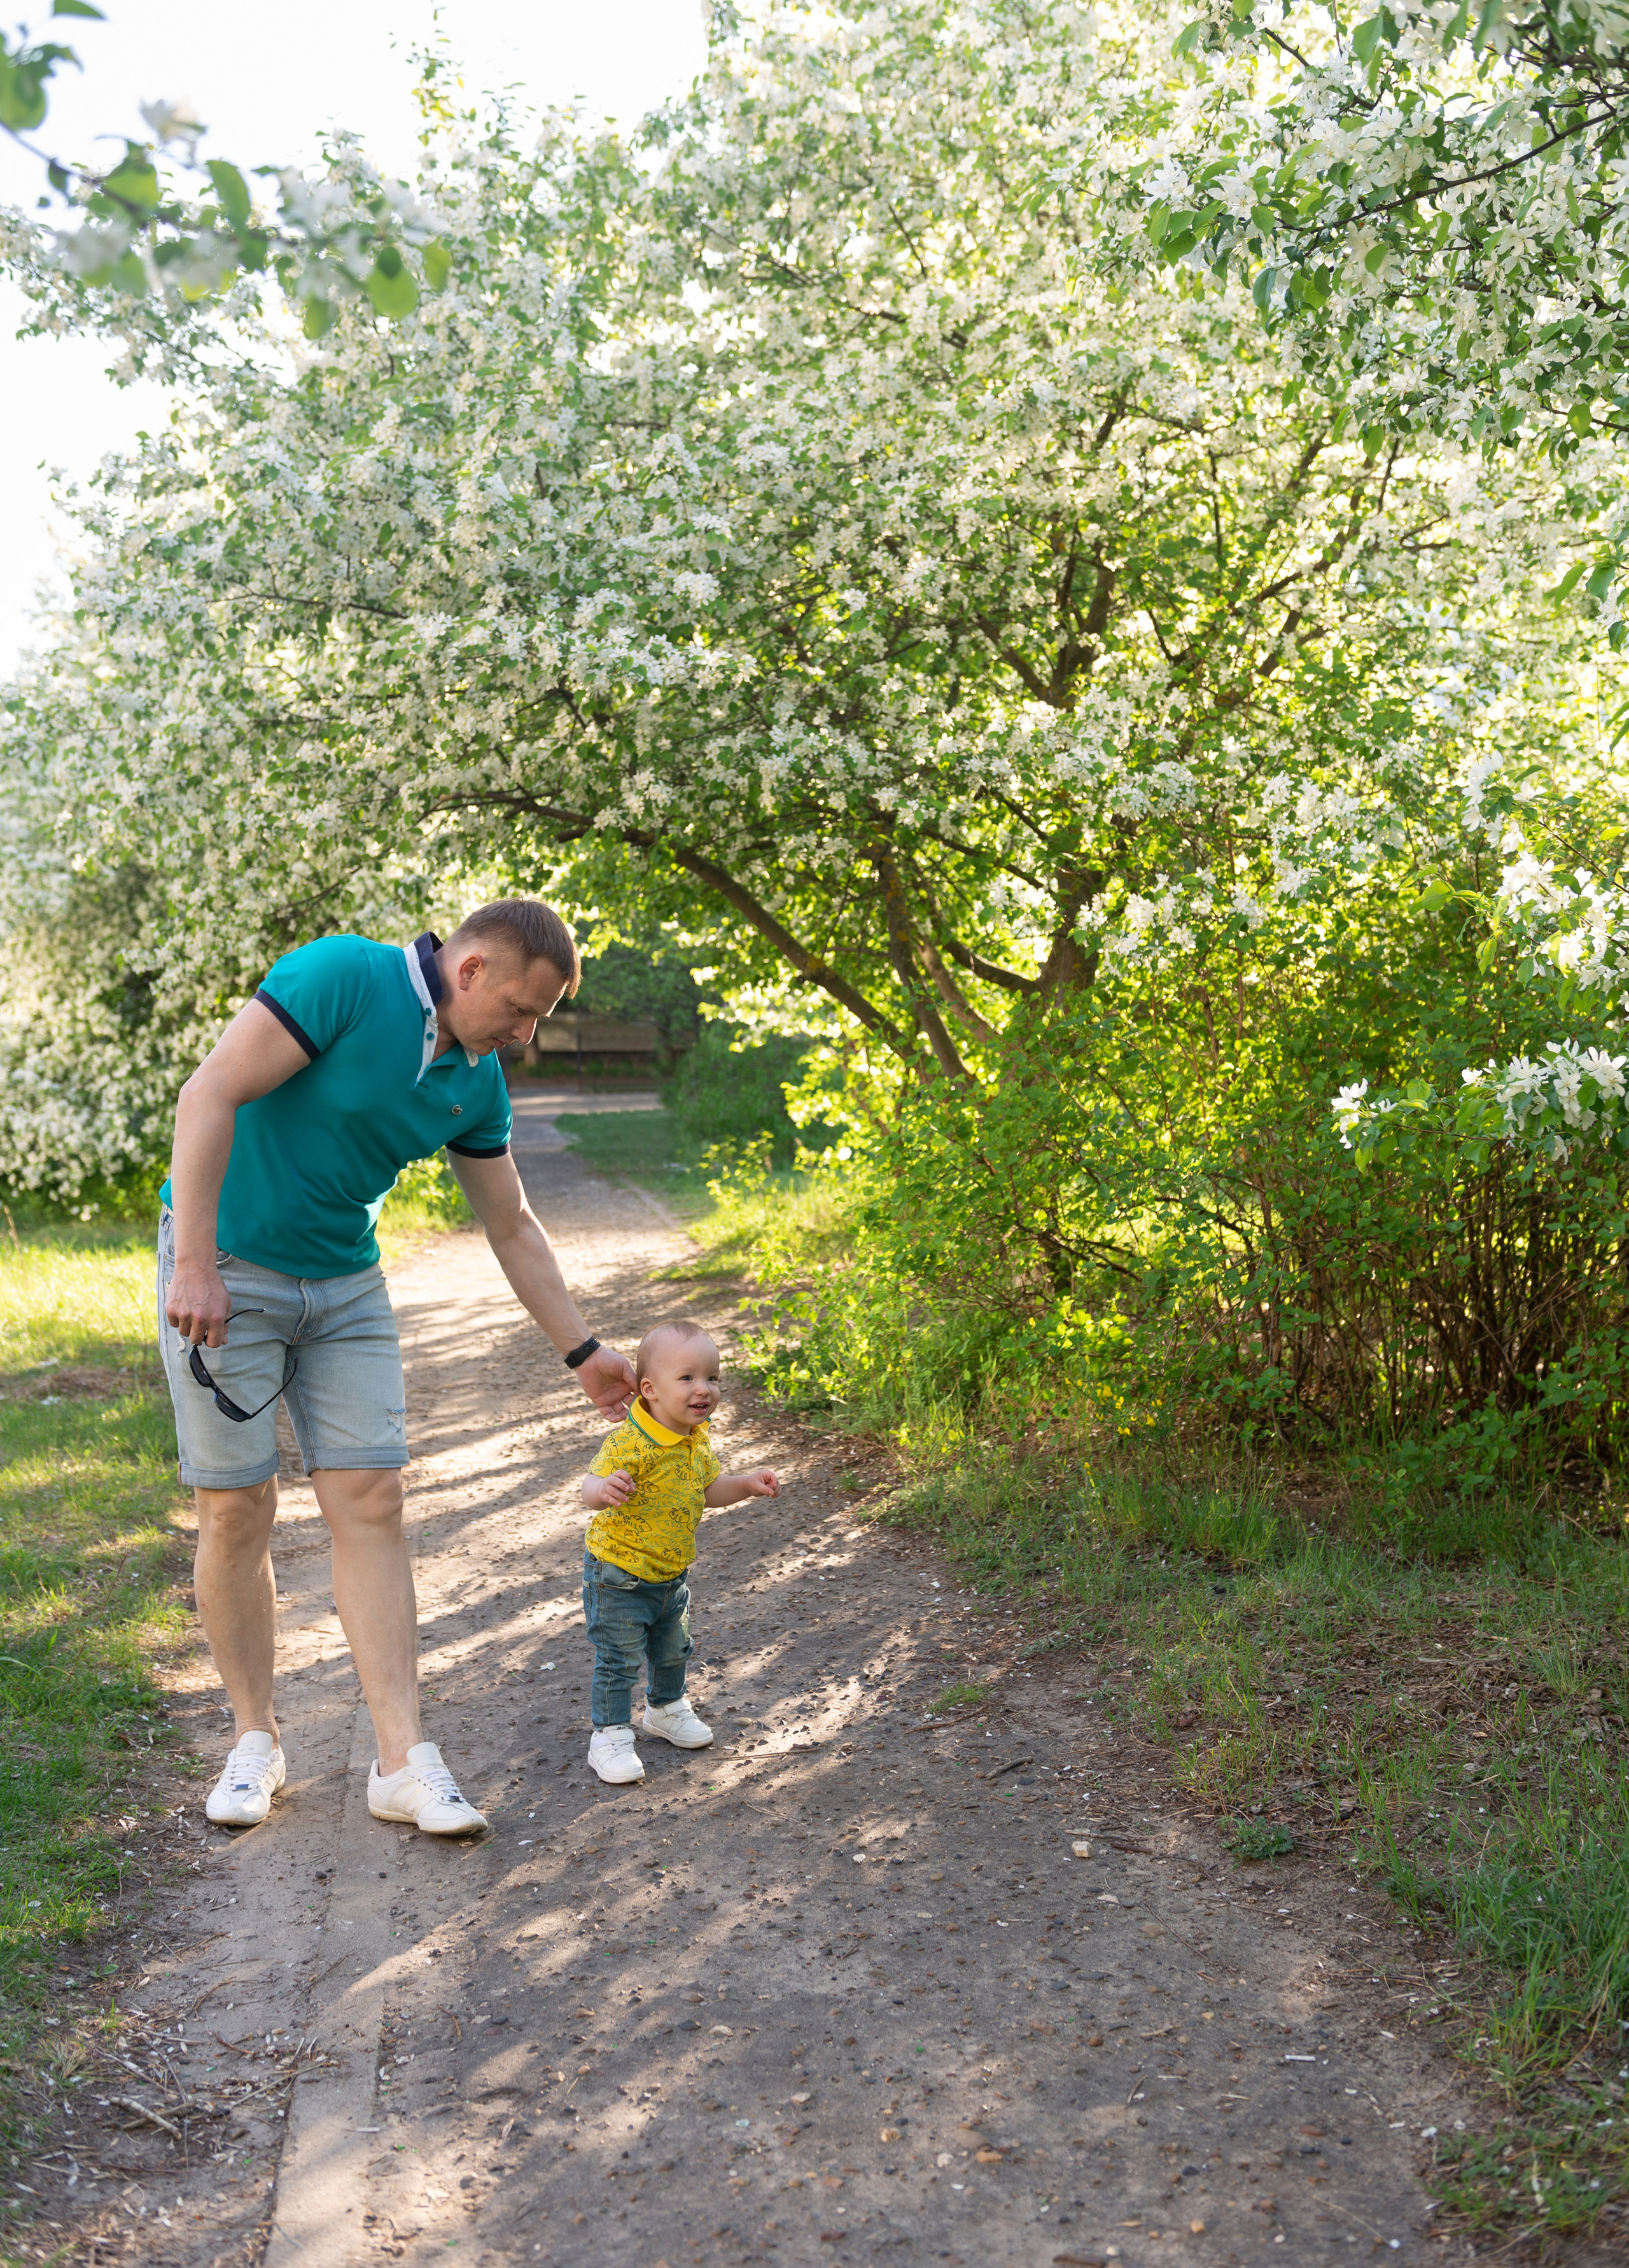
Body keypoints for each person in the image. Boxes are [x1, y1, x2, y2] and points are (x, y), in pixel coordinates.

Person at [160, 900, 637, 1837]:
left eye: (538, 1020)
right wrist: (196, 1264)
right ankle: (254, 1740)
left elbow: (511, 1225)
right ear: (470, 972)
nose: (526, 1035)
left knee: (371, 1499)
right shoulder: (342, 977)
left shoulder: (478, 1079)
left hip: (344, 1285)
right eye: (522, 1009)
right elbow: (206, 1094)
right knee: (235, 1504)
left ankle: (400, 1760)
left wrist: (582, 1351)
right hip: (228, 1267)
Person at [578, 1321, 778, 1785]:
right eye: (687, 1377)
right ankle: (609, 1735)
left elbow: (709, 1489)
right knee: (619, 1657)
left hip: (670, 1574)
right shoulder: (631, 1441)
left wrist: (746, 1485)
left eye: (712, 1377)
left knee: (673, 1649)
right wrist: (603, 1489)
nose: (703, 1388)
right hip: (618, 1574)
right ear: (649, 1389)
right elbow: (589, 1484)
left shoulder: (696, 1439)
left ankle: (665, 1709)